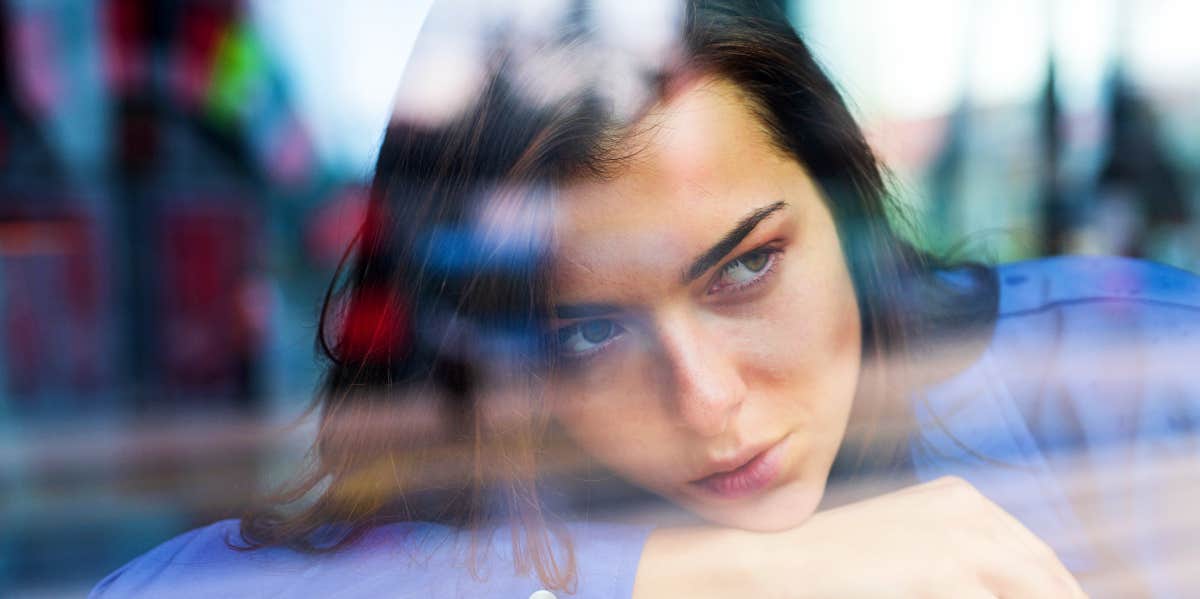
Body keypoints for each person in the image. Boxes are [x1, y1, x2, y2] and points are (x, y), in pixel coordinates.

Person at [91, 0, 1200, 597]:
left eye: (747, 268)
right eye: (587, 330)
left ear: (844, 199)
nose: (706, 398)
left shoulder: (1126, 374)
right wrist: (702, 576)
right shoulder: (509, 496)